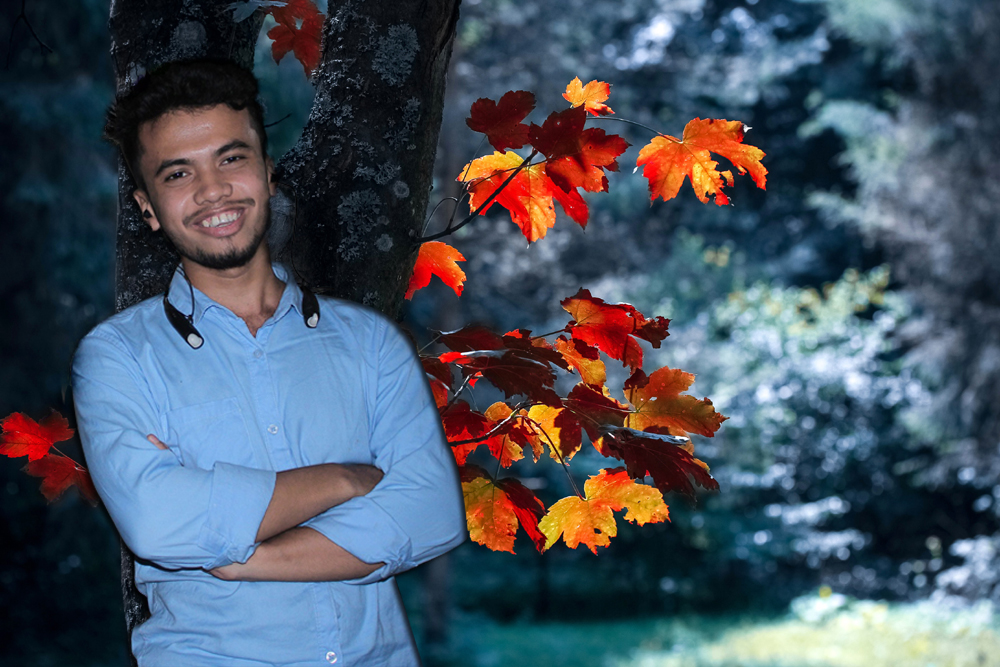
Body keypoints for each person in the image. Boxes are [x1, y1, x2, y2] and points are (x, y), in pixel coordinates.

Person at [72, 58, 467, 666]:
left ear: (267, 171)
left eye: (231, 158)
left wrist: (243, 557)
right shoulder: (118, 358)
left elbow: (431, 513)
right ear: (147, 207)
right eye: (178, 173)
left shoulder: (370, 344)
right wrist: (346, 479)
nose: (212, 190)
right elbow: (157, 524)